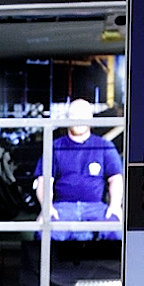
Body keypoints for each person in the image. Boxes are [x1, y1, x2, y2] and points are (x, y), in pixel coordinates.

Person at [33, 98, 124, 243]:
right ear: (67, 118)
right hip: (63, 208)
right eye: (74, 115)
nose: (78, 120)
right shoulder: (54, 147)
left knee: (116, 232)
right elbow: (44, 181)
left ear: (91, 118)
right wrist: (47, 207)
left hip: (96, 207)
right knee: (45, 233)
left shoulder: (104, 146)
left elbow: (116, 179)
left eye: (83, 115)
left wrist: (115, 206)